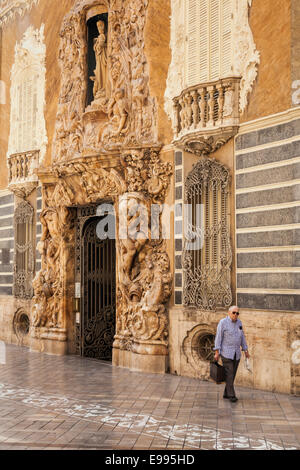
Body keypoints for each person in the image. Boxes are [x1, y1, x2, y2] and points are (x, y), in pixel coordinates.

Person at [214, 305, 250, 402]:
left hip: (236, 353)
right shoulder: (223, 323)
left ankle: (226, 393)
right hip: (226, 353)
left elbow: (242, 337)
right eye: (234, 313)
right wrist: (217, 352)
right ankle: (231, 395)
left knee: (232, 374)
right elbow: (218, 338)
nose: (235, 315)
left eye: (237, 313)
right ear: (229, 313)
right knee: (229, 373)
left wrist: (246, 350)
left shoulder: (239, 323)